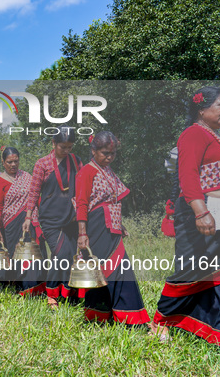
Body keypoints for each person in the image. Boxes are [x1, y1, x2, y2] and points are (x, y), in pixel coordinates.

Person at [152, 87, 220, 355]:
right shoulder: (193, 134)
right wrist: (201, 212)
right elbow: (187, 175)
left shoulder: (215, 136)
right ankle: (161, 321)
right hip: (204, 214)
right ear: (202, 109)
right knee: (193, 270)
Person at [75, 131, 150, 325]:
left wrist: (120, 223)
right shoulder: (86, 172)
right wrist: (82, 234)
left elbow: (113, 200)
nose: (109, 157)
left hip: (112, 226)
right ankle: (108, 317)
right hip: (97, 226)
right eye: (105, 153)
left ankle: (119, 317)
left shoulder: (107, 171)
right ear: (93, 151)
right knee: (103, 271)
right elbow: (82, 204)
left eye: (113, 153)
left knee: (120, 269)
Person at [24, 127, 83, 308]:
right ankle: (51, 295)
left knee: (73, 255)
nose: (66, 151)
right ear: (53, 143)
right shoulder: (43, 164)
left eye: (69, 147)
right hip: (50, 219)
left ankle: (69, 294)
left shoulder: (75, 161)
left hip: (71, 217)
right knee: (60, 253)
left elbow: (82, 185)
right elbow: (34, 191)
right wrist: (28, 217)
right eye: (62, 147)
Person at [0, 147, 45, 294]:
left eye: (16, 161)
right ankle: (20, 288)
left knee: (34, 255)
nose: (13, 164)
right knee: (19, 258)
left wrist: (43, 220)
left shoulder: (27, 176)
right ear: (3, 162)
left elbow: (36, 198)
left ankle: (35, 288)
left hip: (30, 222)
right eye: (9, 162)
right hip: (11, 225)